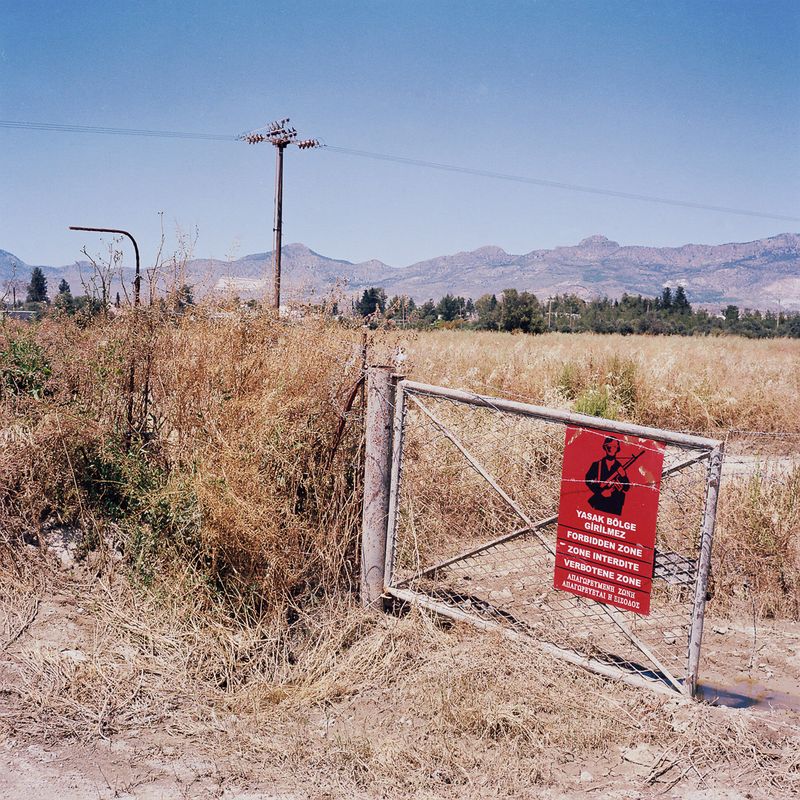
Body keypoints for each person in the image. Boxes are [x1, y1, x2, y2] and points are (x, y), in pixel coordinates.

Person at [585, 437, 630, 515]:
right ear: (605, 447)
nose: (611, 449)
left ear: (617, 449)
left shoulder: (620, 467)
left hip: (616, 505)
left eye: (614, 447)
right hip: (600, 503)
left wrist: (623, 476)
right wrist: (601, 492)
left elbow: (627, 488)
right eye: (609, 446)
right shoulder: (597, 465)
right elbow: (588, 480)